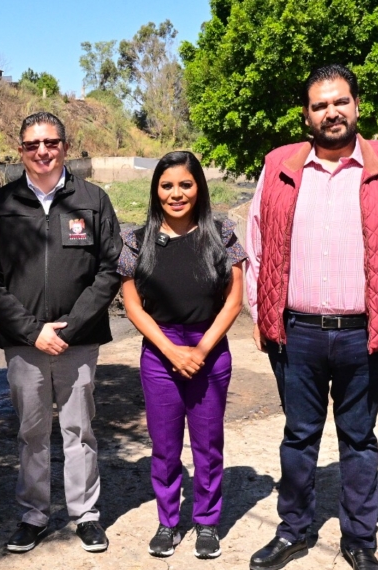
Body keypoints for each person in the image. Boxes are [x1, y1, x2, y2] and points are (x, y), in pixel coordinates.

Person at [245, 64, 378, 570]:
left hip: (365, 335)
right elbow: (256, 241)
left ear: (357, 106)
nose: (331, 112)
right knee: (298, 436)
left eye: (340, 101)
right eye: (320, 105)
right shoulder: (280, 164)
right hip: (296, 332)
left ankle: (359, 539)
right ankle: (294, 529)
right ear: (307, 114)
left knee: (359, 440)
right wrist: (262, 313)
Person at [0, 111, 122, 554]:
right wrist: (33, 330)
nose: (42, 151)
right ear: (20, 150)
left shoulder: (93, 200)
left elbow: (110, 268)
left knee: (80, 430)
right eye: (33, 144)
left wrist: (71, 328)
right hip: (24, 344)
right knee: (31, 433)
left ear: (65, 147)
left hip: (79, 343)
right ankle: (34, 514)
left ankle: (85, 514)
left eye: (51, 143)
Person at [116, 151, 246, 560]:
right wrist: (171, 350)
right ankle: (168, 522)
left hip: (209, 348)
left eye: (185, 184)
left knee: (208, 444)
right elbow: (132, 306)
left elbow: (234, 300)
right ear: (156, 191)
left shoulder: (222, 233)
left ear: (199, 187)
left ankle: (207, 522)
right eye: (167, 185)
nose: (176, 194)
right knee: (165, 445)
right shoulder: (136, 241)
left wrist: (202, 348)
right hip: (160, 352)